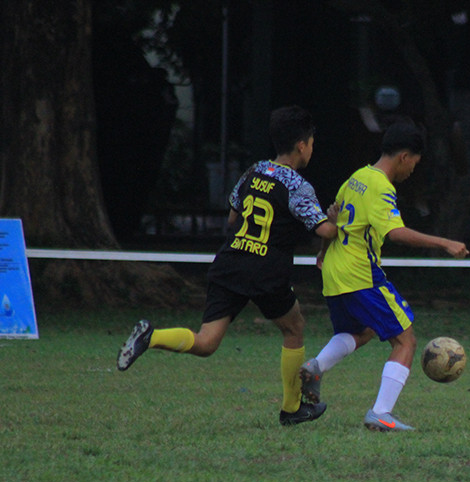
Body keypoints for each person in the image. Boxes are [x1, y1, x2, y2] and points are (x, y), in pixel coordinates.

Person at [117, 105, 339, 426]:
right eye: (312, 142)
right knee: (294, 328)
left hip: (231, 262)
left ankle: (152, 337)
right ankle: (292, 409)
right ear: (302, 145)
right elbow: (324, 231)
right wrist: (336, 221)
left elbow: (233, 217)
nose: (312, 148)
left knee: (206, 342)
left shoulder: (254, 171)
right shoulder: (297, 185)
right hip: (266, 270)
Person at [300, 121, 469, 431]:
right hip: (361, 274)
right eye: (415, 163)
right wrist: (444, 242)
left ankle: (316, 366)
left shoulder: (357, 178)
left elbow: (333, 218)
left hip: (335, 271)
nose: (413, 170)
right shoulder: (380, 186)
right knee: (406, 341)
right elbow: (396, 233)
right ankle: (380, 413)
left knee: (362, 331)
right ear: (405, 156)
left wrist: (324, 251)